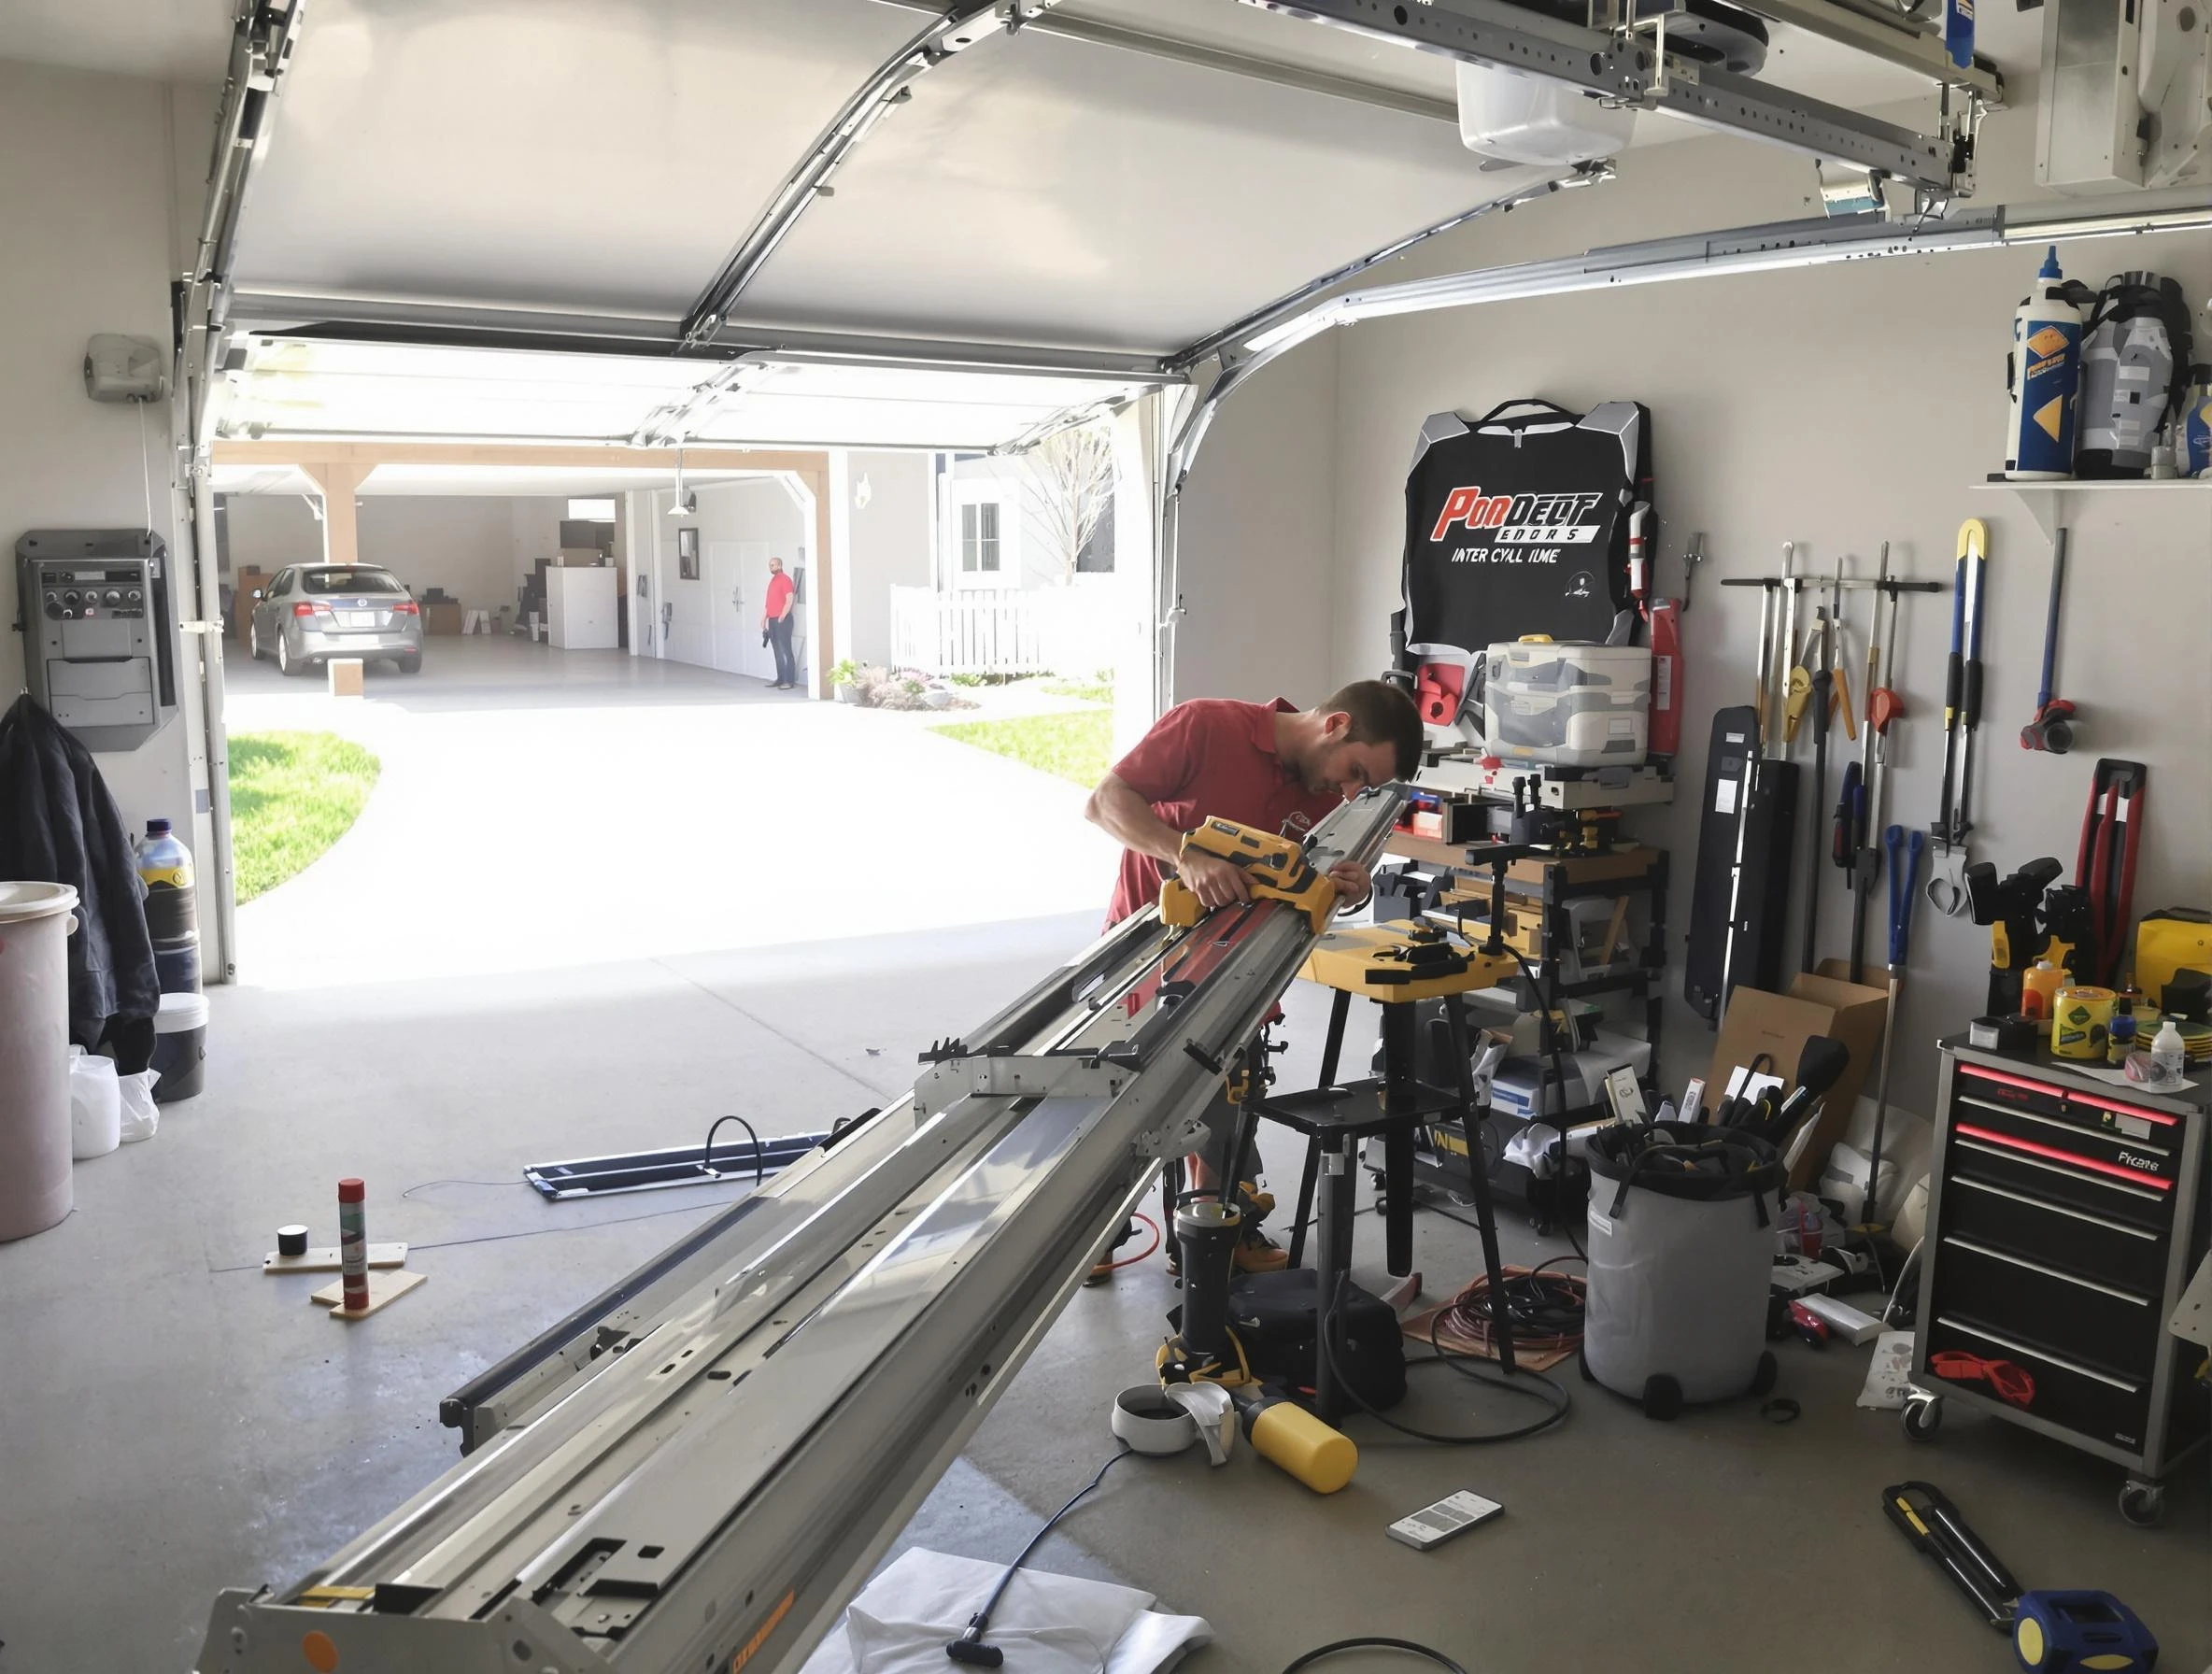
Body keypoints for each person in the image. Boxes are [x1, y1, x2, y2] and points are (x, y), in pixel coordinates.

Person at [1083, 680, 1425, 1278]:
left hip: (1238, 965)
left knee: (1230, 1090)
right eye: (1355, 772)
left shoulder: (1325, 796)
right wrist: (1184, 854)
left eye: (1364, 787)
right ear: (1336, 725)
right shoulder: (1205, 727)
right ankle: (1096, 1232)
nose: (1350, 793)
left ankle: (1216, 1228)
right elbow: (1106, 801)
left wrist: (1352, 889)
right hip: (1146, 950)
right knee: (1116, 1096)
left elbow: (1314, 880)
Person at [762, 557, 798, 689]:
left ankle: (789, 681)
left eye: (773, 565)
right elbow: (769, 603)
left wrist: (783, 615)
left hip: (783, 620)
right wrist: (764, 618)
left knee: (786, 650)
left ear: (779, 565)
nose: (771, 568)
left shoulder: (785, 579)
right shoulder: (772, 581)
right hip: (772, 620)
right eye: (770, 565)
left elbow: (789, 598)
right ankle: (780, 678)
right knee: (777, 650)